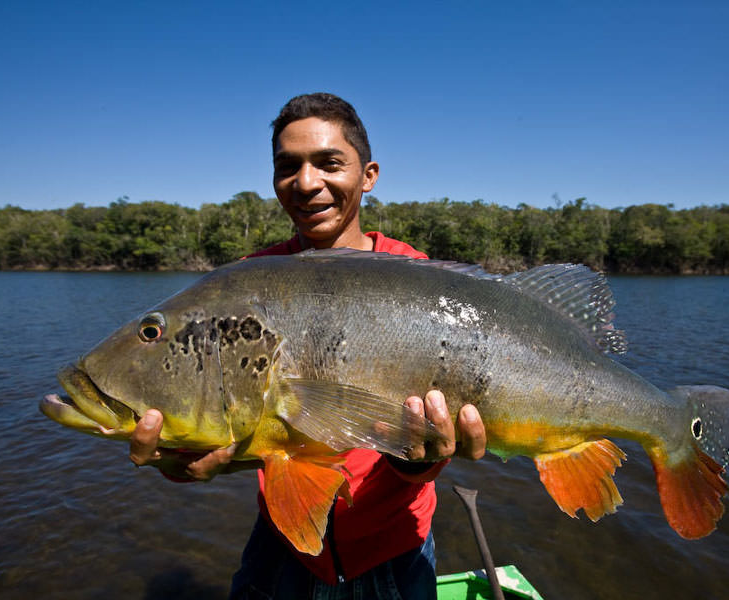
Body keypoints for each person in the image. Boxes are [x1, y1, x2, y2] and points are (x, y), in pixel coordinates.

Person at [129, 93, 487, 599]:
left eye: (329, 163)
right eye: (287, 166)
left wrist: (416, 460)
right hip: (284, 542)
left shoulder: (419, 281)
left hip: (389, 544)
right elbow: (241, 426)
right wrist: (186, 459)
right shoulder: (247, 283)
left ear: (368, 175)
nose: (305, 182)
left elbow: (429, 449)